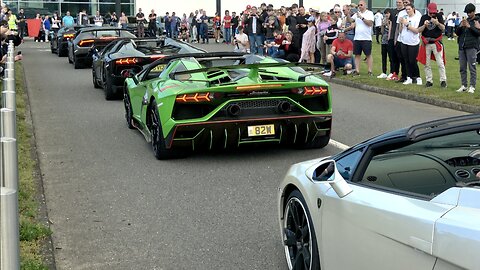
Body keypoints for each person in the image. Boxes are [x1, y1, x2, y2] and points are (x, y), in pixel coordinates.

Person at [416, 2, 446, 88]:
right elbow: (419, 30)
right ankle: (429, 80)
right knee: (427, 63)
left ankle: (443, 80)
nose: (432, 14)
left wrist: (437, 23)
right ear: (427, 9)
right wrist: (424, 25)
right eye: (431, 12)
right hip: (426, 42)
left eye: (434, 12)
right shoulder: (424, 17)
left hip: (436, 42)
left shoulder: (439, 16)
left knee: (440, 63)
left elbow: (443, 28)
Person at [455, 3, 480, 94]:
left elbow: (478, 33)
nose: (468, 14)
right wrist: (461, 26)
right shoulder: (465, 20)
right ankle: (464, 85)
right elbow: (457, 33)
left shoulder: (477, 21)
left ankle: (472, 86)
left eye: (470, 12)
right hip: (462, 46)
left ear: (474, 12)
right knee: (462, 67)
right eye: (467, 12)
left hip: (472, 46)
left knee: (472, 67)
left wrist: (470, 27)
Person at [398, 3, 422, 85]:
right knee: (406, 60)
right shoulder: (405, 18)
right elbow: (400, 31)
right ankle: (409, 77)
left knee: (413, 61)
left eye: (409, 9)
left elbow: (416, 31)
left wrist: (407, 24)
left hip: (413, 42)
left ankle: (418, 77)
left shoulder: (417, 18)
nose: (407, 11)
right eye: (406, 9)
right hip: (404, 41)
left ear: (413, 9)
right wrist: (401, 24)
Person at [351, 0, 374, 76]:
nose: (359, 6)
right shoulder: (357, 13)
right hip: (357, 37)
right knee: (357, 55)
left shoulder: (369, 13)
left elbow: (370, 23)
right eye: (359, 5)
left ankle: (370, 71)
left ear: (365, 5)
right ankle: (357, 70)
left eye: (361, 5)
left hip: (366, 38)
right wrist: (348, 13)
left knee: (368, 54)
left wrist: (362, 18)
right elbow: (351, 20)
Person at [377, 9, 392, 79]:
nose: (386, 15)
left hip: (390, 41)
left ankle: (392, 72)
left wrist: (388, 24)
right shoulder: (383, 20)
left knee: (391, 58)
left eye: (388, 13)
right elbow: (382, 32)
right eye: (385, 13)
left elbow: (391, 30)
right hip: (383, 41)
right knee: (383, 57)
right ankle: (384, 72)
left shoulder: (392, 21)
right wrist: (382, 25)